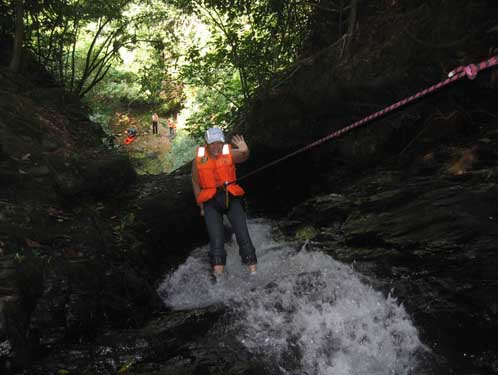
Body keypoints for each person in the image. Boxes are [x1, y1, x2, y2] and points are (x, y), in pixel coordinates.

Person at [191, 127, 257, 276]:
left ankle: (253, 272)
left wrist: (245, 150)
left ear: (223, 142)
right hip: (210, 202)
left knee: (243, 235)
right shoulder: (199, 159)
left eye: (219, 143)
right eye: (212, 143)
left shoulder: (229, 153)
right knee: (216, 240)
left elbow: (243, 156)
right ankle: (219, 279)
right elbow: (195, 181)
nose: (216, 147)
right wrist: (200, 204)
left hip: (231, 198)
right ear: (206, 144)